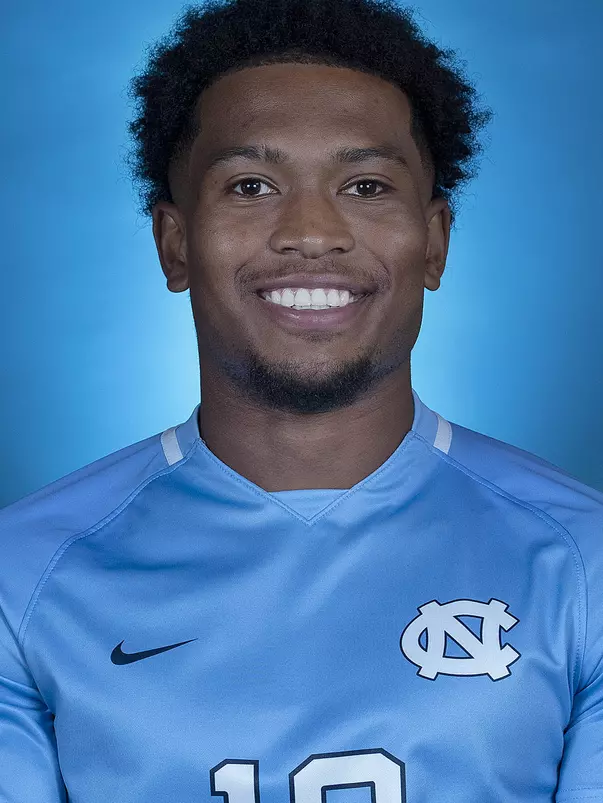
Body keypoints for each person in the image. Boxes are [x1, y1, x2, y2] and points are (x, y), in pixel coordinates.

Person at [0, 0, 601, 800]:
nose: (311, 231)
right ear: (174, 243)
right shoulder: (23, 576)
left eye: (364, 184)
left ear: (435, 241)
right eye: (251, 185)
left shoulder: (582, 563)